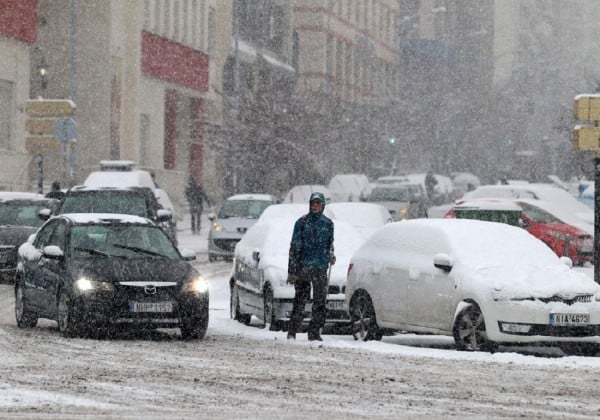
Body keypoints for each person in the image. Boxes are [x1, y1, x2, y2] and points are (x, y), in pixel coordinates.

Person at [286, 192, 335, 341]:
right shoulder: (301, 222)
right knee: (300, 300)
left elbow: (329, 245)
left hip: (320, 268)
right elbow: (294, 247)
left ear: (322, 205)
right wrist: (292, 270)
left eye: (318, 203)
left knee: (320, 301)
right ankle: (293, 330)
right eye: (313, 203)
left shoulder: (328, 224)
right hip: (303, 267)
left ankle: (314, 332)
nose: (315, 206)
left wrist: (330, 255)